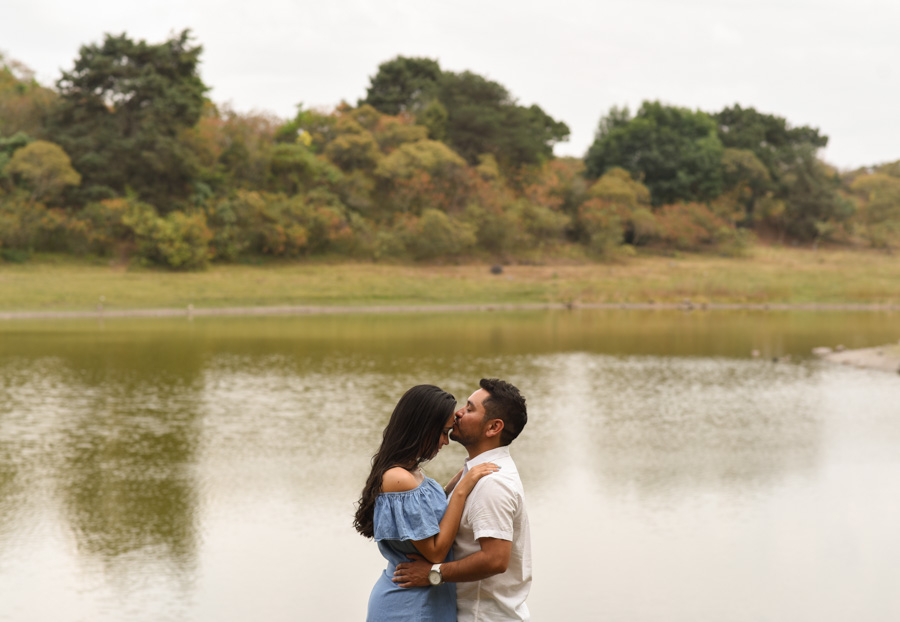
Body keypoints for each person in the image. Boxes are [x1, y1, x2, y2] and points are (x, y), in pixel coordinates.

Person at [354, 384, 500, 622]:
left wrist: (460, 478)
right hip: (409, 605)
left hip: (428, 599)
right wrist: (462, 489)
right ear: (422, 428)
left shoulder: (411, 470)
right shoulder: (398, 478)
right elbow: (436, 552)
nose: (446, 441)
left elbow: (428, 512)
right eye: (443, 432)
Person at [393, 378, 531, 622]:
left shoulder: (492, 482)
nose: (458, 413)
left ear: (493, 427)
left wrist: (433, 573)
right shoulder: (476, 472)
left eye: (470, 409)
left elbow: (495, 559)